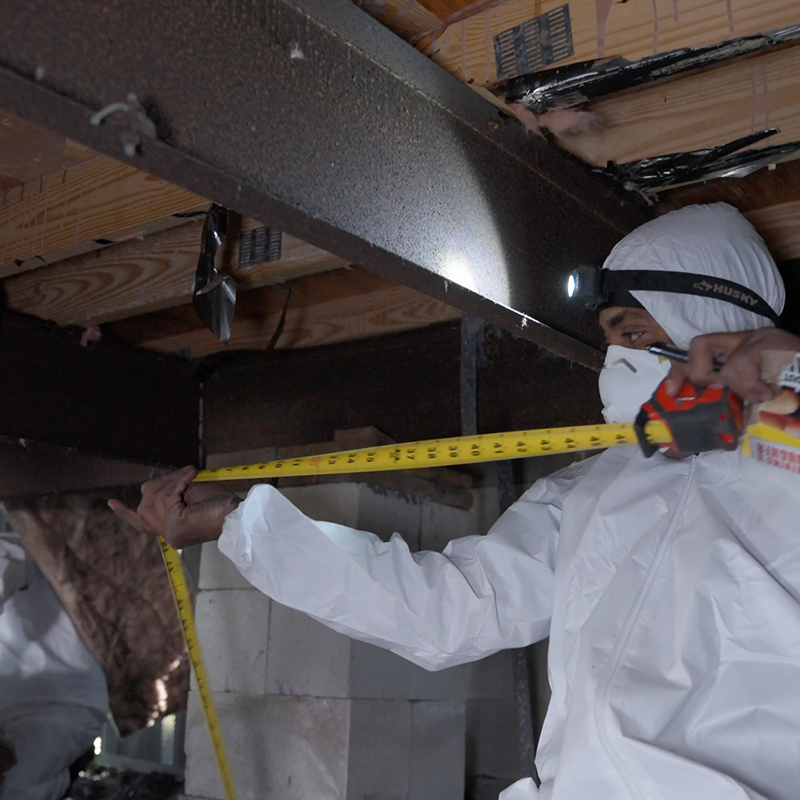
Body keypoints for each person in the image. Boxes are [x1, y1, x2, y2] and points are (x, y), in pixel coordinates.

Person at [111, 203, 800, 800]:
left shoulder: (787, 459)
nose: (615, 363)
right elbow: (445, 610)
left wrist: (784, 370)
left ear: (713, 322)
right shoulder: (595, 488)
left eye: (637, 335)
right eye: (611, 342)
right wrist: (242, 526)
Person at [0, 530, 109, 800]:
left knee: (18, 782)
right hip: (11, 712)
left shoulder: (19, 554)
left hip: (67, 705)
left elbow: (11, 555)